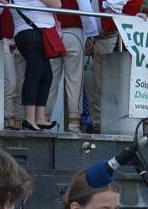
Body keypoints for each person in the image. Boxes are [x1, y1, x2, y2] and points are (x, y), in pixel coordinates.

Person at [88, 0, 148, 134]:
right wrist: (131, 19)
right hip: (113, 38)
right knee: (104, 85)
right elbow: (110, 10)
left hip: (142, 42)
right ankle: (100, 125)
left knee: (141, 85)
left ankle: (144, 126)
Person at [45, 0, 99, 133]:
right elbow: (85, 9)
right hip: (74, 31)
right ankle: (74, 124)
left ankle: (45, 119)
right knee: (74, 80)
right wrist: (91, 34)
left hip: (52, 32)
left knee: (50, 79)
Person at [12, 0, 63, 131]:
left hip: (28, 31)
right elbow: (57, 4)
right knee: (34, 74)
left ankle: (39, 117)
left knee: (46, 75)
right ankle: (29, 118)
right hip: (32, 31)